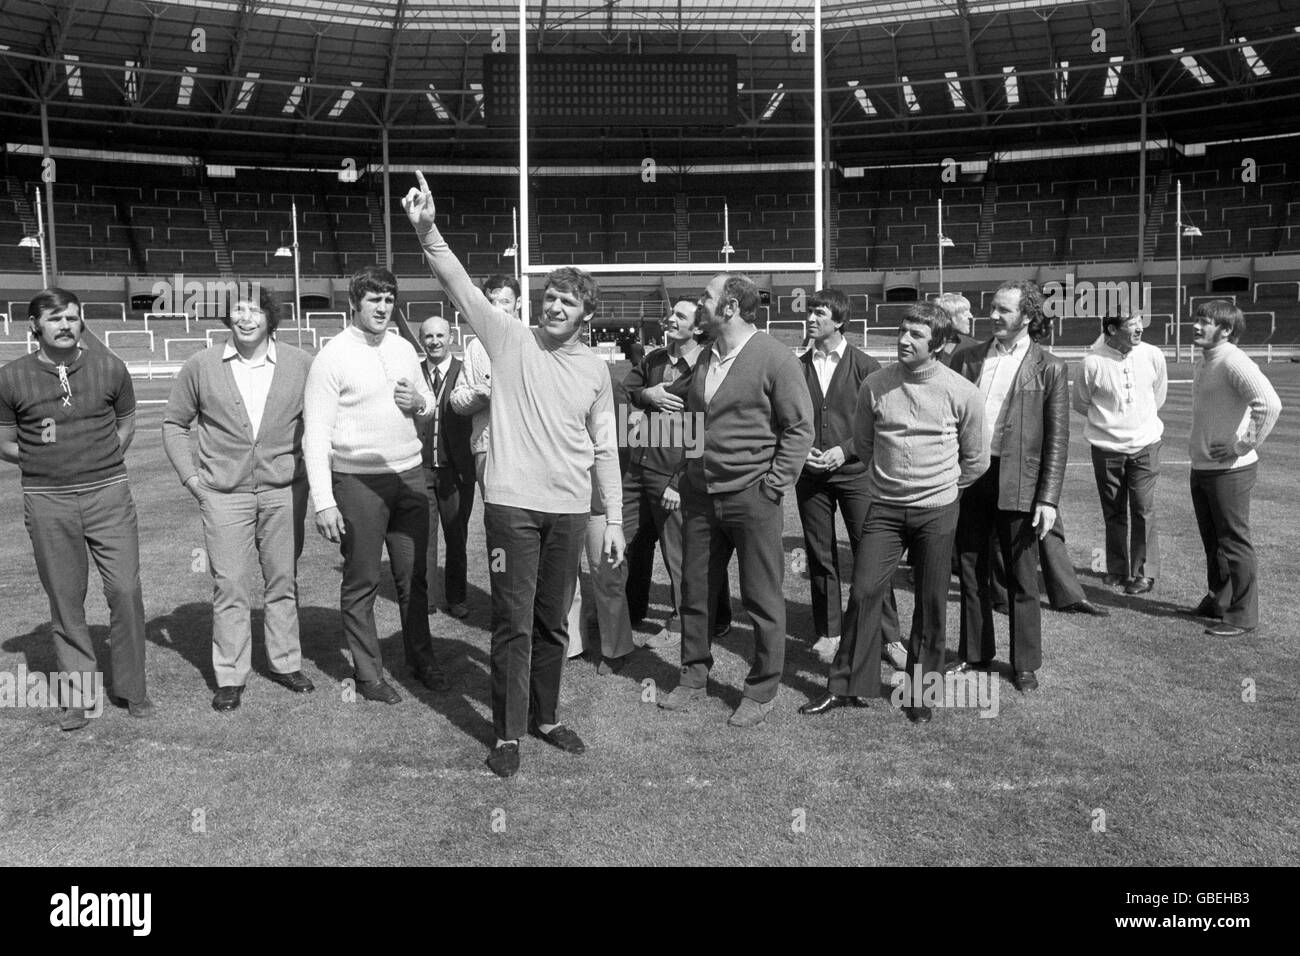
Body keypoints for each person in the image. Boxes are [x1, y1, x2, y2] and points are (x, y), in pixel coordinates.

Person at [404, 171, 624, 778]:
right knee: (512, 621)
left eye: (567, 301)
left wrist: (615, 521)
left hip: (572, 511)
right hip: (511, 510)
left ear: (586, 314)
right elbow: (461, 285)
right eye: (549, 296)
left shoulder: (596, 372)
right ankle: (506, 733)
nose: (553, 305)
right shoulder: (507, 338)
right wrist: (428, 230)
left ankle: (546, 717)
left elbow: (605, 449)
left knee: (553, 620)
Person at [802, 303, 986, 722]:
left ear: (937, 345)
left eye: (917, 335)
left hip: (937, 511)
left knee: (931, 602)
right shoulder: (876, 384)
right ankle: (846, 686)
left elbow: (976, 460)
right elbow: (864, 446)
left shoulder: (962, 392)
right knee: (864, 592)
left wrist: (941, 489)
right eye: (903, 331)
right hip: (884, 508)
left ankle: (922, 696)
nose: (904, 340)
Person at [656, 272, 813, 727]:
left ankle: (761, 690)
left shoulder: (775, 358)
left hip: (754, 497)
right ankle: (692, 676)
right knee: (695, 591)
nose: (699, 303)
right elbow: (693, 423)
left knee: (761, 598)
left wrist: (774, 484)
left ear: (729, 307)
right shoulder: (706, 356)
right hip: (702, 496)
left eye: (706, 296)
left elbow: (799, 428)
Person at [0, 288, 152, 729]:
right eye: (54, 319)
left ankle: (132, 689)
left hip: (109, 494)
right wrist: (40, 460)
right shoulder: (12, 377)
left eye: (72, 317)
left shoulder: (110, 367)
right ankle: (79, 697)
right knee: (66, 599)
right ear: (34, 327)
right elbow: (5, 439)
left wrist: (103, 459)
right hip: (48, 500)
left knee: (125, 589)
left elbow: (126, 423)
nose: (65, 325)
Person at [162, 287, 315, 712]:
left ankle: (285, 662)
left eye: (255, 310)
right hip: (223, 495)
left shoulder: (301, 363)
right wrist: (193, 480)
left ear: (270, 317)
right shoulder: (202, 365)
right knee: (230, 584)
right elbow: (174, 423)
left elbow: (322, 422)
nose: (246, 318)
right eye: (238, 310)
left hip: (284, 490)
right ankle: (230, 675)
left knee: (282, 579)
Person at [303, 265, 445, 705]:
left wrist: (419, 402)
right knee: (362, 579)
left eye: (388, 298)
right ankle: (368, 675)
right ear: (354, 304)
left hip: (408, 477)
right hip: (357, 483)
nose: (383, 307)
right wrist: (324, 501)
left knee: (413, 576)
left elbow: (429, 404)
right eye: (374, 299)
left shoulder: (405, 349)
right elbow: (316, 434)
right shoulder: (332, 357)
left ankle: (421, 660)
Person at [950, 279, 1069, 692]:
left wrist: (1048, 498)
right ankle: (974, 653)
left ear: (1028, 317)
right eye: (993, 308)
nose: (993, 316)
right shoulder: (966, 358)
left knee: (1021, 575)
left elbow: (1057, 439)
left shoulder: (1050, 366)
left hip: (1020, 480)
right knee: (970, 567)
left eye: (1003, 310)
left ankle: (1025, 664)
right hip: (971, 477)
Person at [794, 288, 902, 667]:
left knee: (870, 555)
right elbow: (788, 418)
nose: (810, 318)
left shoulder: (867, 366)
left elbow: (882, 422)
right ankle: (829, 631)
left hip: (856, 476)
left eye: (819, 312)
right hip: (810, 477)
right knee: (820, 555)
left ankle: (888, 636)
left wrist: (845, 450)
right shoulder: (798, 366)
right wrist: (802, 449)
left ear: (838, 320)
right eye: (810, 312)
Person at [621, 298, 732, 648]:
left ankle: (684, 619)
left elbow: (704, 423)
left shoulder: (706, 363)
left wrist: (679, 479)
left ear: (697, 328)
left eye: (679, 316)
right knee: (631, 544)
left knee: (680, 552)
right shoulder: (653, 358)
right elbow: (627, 392)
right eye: (671, 314)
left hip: (674, 470)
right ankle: (630, 609)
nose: (669, 319)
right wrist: (647, 395)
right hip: (638, 464)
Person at [1188, 300, 1282, 637]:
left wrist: (1242, 444)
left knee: (1234, 542)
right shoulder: (1205, 361)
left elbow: (1269, 404)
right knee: (1213, 542)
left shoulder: (1233, 361)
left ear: (1226, 330)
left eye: (1206, 322)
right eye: (1197, 319)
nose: (1197, 326)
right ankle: (1219, 599)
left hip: (1230, 470)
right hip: (1203, 466)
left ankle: (1243, 615)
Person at [1072, 312, 1168, 595]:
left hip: (1146, 446)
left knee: (1143, 508)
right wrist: (1110, 426)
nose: (1139, 327)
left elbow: (1157, 395)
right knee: (1113, 511)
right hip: (1106, 449)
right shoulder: (1091, 362)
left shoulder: (1153, 355)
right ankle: (1115, 568)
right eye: (1131, 323)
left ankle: (1144, 574)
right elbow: (1080, 402)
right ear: (1112, 329)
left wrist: (1139, 424)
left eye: (1141, 321)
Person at [418, 316, 475, 619]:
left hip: (456, 470)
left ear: (451, 337)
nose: (435, 341)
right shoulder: (413, 373)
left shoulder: (464, 371)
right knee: (423, 537)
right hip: (421, 469)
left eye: (440, 335)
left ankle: (456, 597)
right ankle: (426, 599)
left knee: (456, 535)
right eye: (428, 336)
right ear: (421, 339)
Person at [449, 275, 516, 493]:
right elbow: (457, 401)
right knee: (496, 520)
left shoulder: (534, 342)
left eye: (505, 302)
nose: (497, 309)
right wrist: (480, 398)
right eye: (491, 302)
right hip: (486, 448)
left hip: (527, 447)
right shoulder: (475, 348)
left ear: (519, 303)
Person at [933, 292, 978, 362]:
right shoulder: (927, 344)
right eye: (965, 313)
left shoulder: (971, 345)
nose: (971, 316)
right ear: (949, 316)